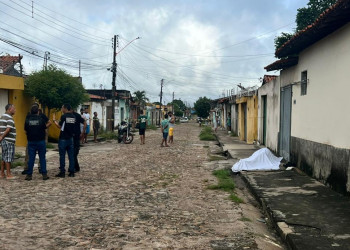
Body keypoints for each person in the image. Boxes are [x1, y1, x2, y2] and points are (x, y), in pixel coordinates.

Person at [24, 105, 51, 181]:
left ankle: (29, 175)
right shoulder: (41, 119)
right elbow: (44, 128)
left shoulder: (27, 119)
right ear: (38, 111)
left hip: (31, 141)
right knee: (42, 158)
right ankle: (44, 174)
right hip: (40, 141)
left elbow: (25, 130)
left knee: (31, 158)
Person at [52, 104, 76, 177]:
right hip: (70, 138)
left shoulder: (64, 116)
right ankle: (71, 172)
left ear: (65, 108)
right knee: (71, 156)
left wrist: (54, 121)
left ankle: (62, 172)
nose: (61, 109)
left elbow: (60, 126)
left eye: (62, 108)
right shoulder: (73, 117)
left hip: (63, 138)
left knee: (62, 156)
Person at [0, 104, 16, 179]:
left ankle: (2, 173)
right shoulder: (9, 118)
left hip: (3, 140)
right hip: (8, 140)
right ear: (10, 109)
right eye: (14, 108)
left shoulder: (2, 117)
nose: (15, 110)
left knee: (3, 157)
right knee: (8, 157)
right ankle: (8, 174)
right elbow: (8, 129)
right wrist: (2, 137)